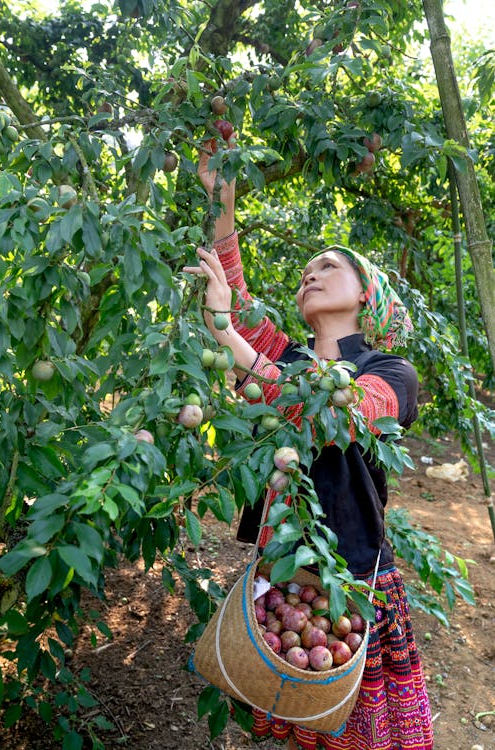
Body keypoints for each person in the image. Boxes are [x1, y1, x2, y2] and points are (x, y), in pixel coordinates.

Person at [183, 137, 434, 750]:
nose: (311, 274)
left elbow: (331, 416)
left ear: (365, 294)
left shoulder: (391, 372)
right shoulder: (289, 357)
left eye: (329, 266)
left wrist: (237, 350)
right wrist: (222, 192)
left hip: (350, 576)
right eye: (306, 271)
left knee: (358, 729)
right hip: (282, 563)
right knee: (291, 716)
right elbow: (235, 304)